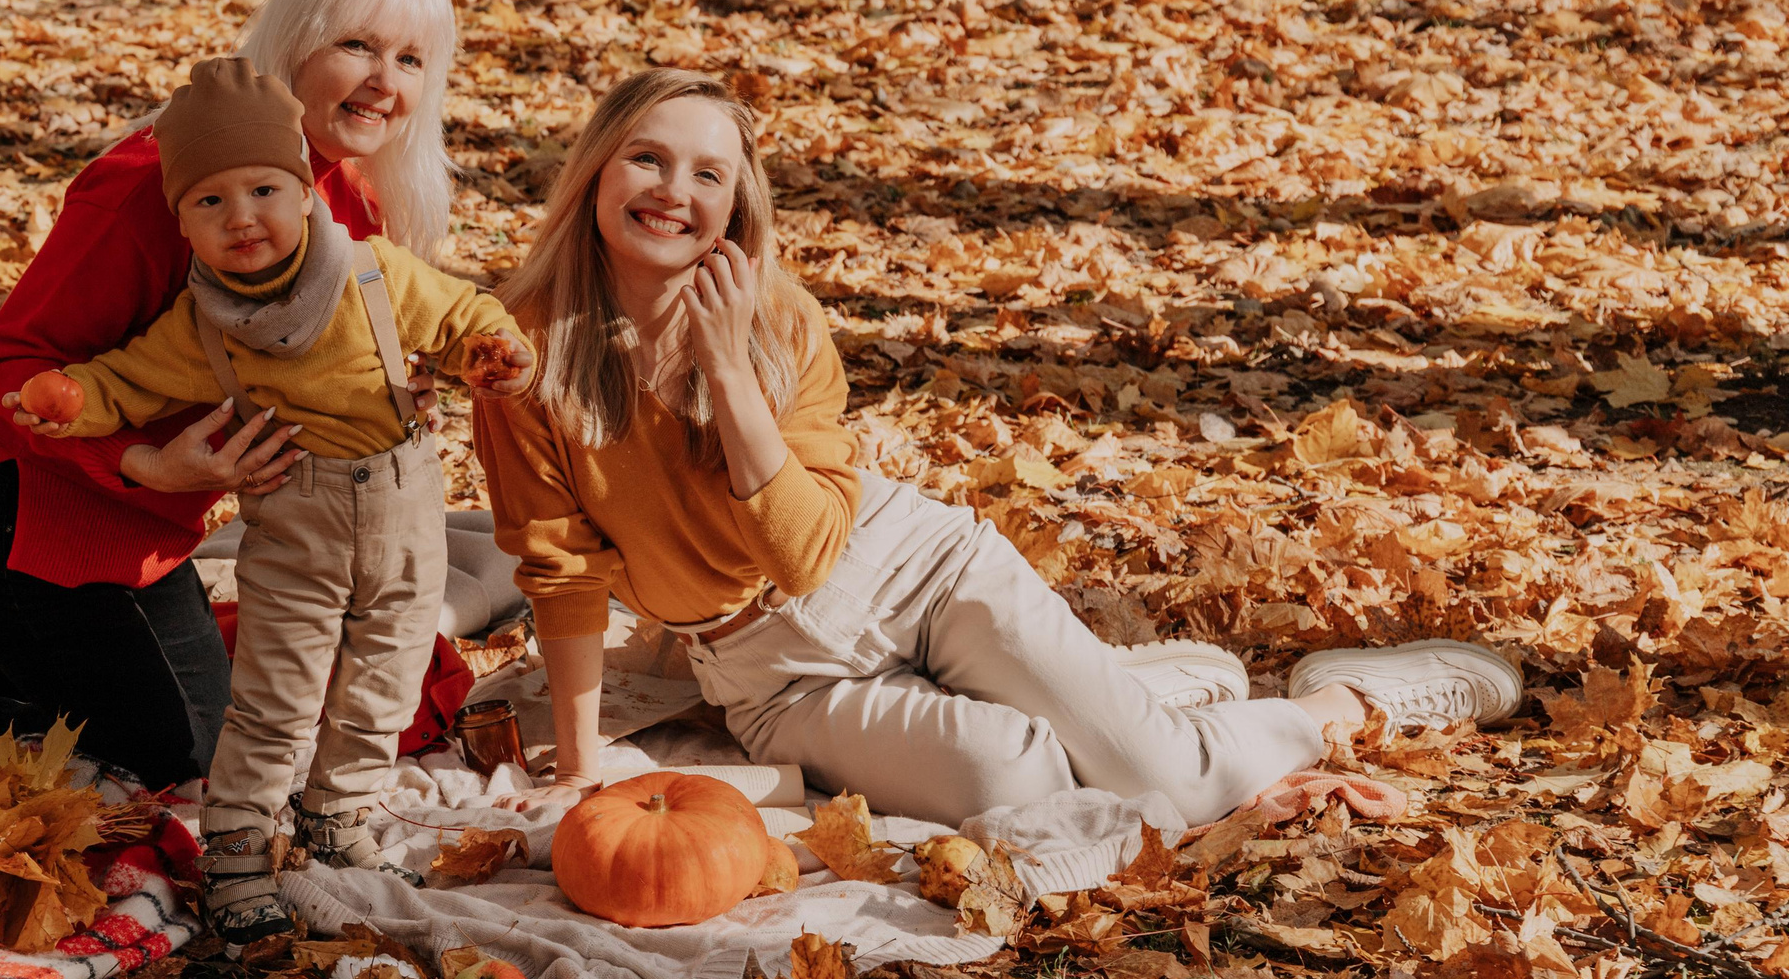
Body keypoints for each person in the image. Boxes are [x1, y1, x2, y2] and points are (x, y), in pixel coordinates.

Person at [473, 68, 1523, 830]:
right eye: (647, 159)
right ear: (594, 173)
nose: (674, 192)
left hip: (911, 571)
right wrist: (577, 762)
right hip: (768, 671)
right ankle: (1124, 689)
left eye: (708, 174)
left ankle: (1342, 699)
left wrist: (728, 376)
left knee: (1181, 782)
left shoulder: (778, 323)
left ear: (736, 209)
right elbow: (557, 568)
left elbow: (802, 553)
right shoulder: (520, 354)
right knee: (1017, 788)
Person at [0, 0, 503, 793]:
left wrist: (388, 390)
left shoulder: (345, 197)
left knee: (216, 735)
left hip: (148, 528)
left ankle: (52, 672)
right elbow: (5, 366)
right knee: (170, 756)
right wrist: (144, 459)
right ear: (296, 40)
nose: (385, 80)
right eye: (357, 46)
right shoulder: (149, 186)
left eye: (410, 59)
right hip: (19, 506)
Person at [24, 58, 534, 945]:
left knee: (387, 678)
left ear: (306, 192)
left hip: (406, 514)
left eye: (263, 187)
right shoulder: (199, 324)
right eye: (209, 202)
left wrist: (492, 348)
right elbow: (126, 381)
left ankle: (338, 821)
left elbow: (460, 315)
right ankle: (237, 854)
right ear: (180, 221)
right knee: (276, 697)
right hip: (297, 521)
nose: (242, 217)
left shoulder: (376, 275)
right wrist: (72, 400)